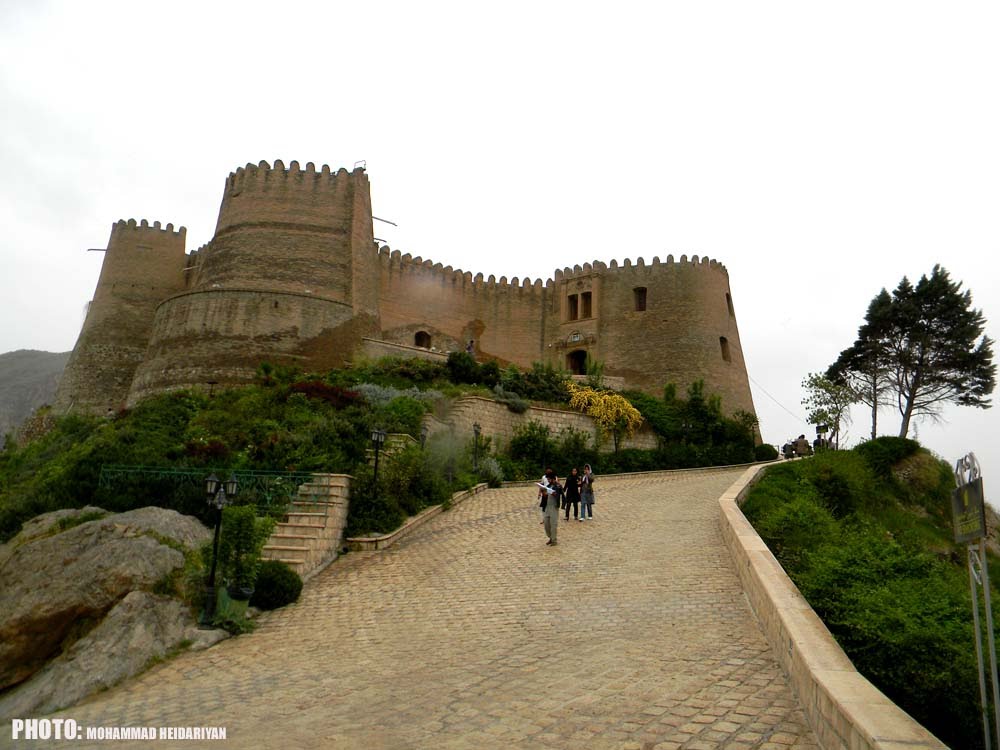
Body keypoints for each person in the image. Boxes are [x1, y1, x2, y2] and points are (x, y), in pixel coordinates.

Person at [540, 470, 562, 545]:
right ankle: (550, 537)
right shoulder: (548, 486)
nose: (548, 481)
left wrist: (552, 493)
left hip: (554, 507)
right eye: (548, 479)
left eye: (549, 479)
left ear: (553, 479)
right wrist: (543, 492)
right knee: (546, 524)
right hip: (547, 506)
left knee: (553, 524)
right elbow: (546, 495)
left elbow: (558, 494)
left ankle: (554, 540)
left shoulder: (557, 485)